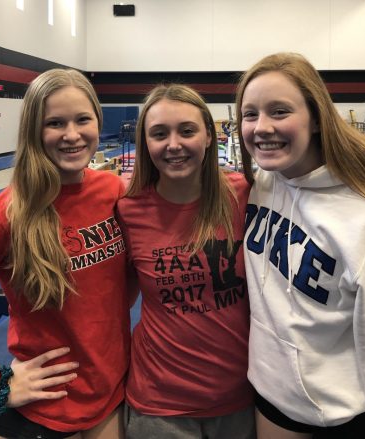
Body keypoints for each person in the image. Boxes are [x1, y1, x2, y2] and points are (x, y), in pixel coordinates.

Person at [235, 52, 365, 439]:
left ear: (316, 118)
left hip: (334, 416)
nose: (262, 127)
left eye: (279, 111)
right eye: (250, 114)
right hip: (270, 396)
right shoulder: (265, 185)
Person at [0, 69, 131, 439]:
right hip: (40, 413)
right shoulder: (3, 217)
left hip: (109, 397)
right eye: (55, 123)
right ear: (33, 130)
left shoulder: (113, 191)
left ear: (97, 120)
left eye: (82, 119)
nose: (72, 134)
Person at [116, 84, 255, 439]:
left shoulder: (245, 194)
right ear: (146, 143)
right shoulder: (127, 209)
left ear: (209, 136)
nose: (173, 145)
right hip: (160, 407)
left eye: (187, 130)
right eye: (159, 134)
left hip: (240, 399)